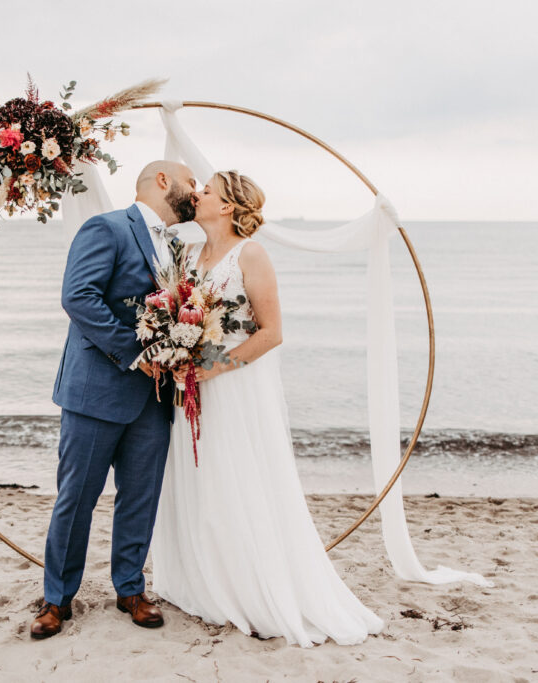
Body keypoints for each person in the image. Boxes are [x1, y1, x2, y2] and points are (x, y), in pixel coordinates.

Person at [150, 170, 385, 647]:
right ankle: (205, 580)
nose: (197, 194)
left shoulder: (251, 255)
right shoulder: (190, 255)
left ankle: (249, 584)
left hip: (235, 387)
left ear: (228, 207)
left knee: (239, 478)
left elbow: (271, 332)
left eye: (207, 190)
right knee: (200, 479)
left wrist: (212, 367)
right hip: (193, 384)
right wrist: (174, 353)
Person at [30, 160, 198, 639]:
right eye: (191, 183)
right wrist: (134, 352)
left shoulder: (178, 246)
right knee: (76, 499)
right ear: (162, 181)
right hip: (96, 391)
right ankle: (56, 600)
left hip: (154, 397)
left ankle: (129, 588)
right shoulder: (105, 227)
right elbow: (79, 296)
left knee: (140, 498)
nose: (197, 191)